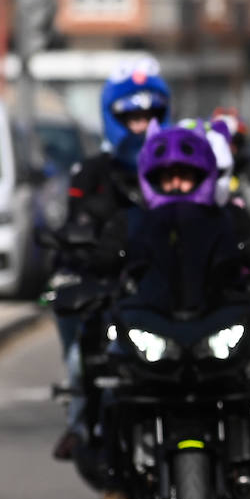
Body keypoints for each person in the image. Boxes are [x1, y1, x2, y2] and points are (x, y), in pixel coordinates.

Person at [84, 120, 250, 499]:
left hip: (218, 335)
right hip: (152, 337)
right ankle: (116, 488)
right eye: (167, 177)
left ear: (204, 178)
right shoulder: (130, 222)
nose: (177, 184)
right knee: (112, 390)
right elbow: (98, 265)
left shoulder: (228, 219)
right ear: (150, 179)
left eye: (187, 175)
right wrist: (82, 282)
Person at [51, 58, 171, 461]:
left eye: (150, 115)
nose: (142, 124)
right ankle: (80, 422)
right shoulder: (91, 173)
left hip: (166, 286)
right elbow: (72, 231)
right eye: (131, 116)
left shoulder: (178, 163)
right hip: (109, 285)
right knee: (76, 343)